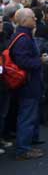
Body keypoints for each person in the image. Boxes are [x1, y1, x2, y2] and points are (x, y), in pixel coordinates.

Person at [11, 9, 47, 160]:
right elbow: (23, 61)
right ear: (25, 20)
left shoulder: (23, 35)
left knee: (29, 114)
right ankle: (23, 149)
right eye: (33, 17)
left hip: (29, 82)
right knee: (27, 115)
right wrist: (41, 61)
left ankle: (28, 143)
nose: (36, 19)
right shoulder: (23, 38)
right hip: (28, 83)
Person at [0, 16, 12, 154]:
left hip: (5, 81)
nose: (1, 24)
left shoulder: (4, 38)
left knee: (3, 113)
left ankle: (1, 137)